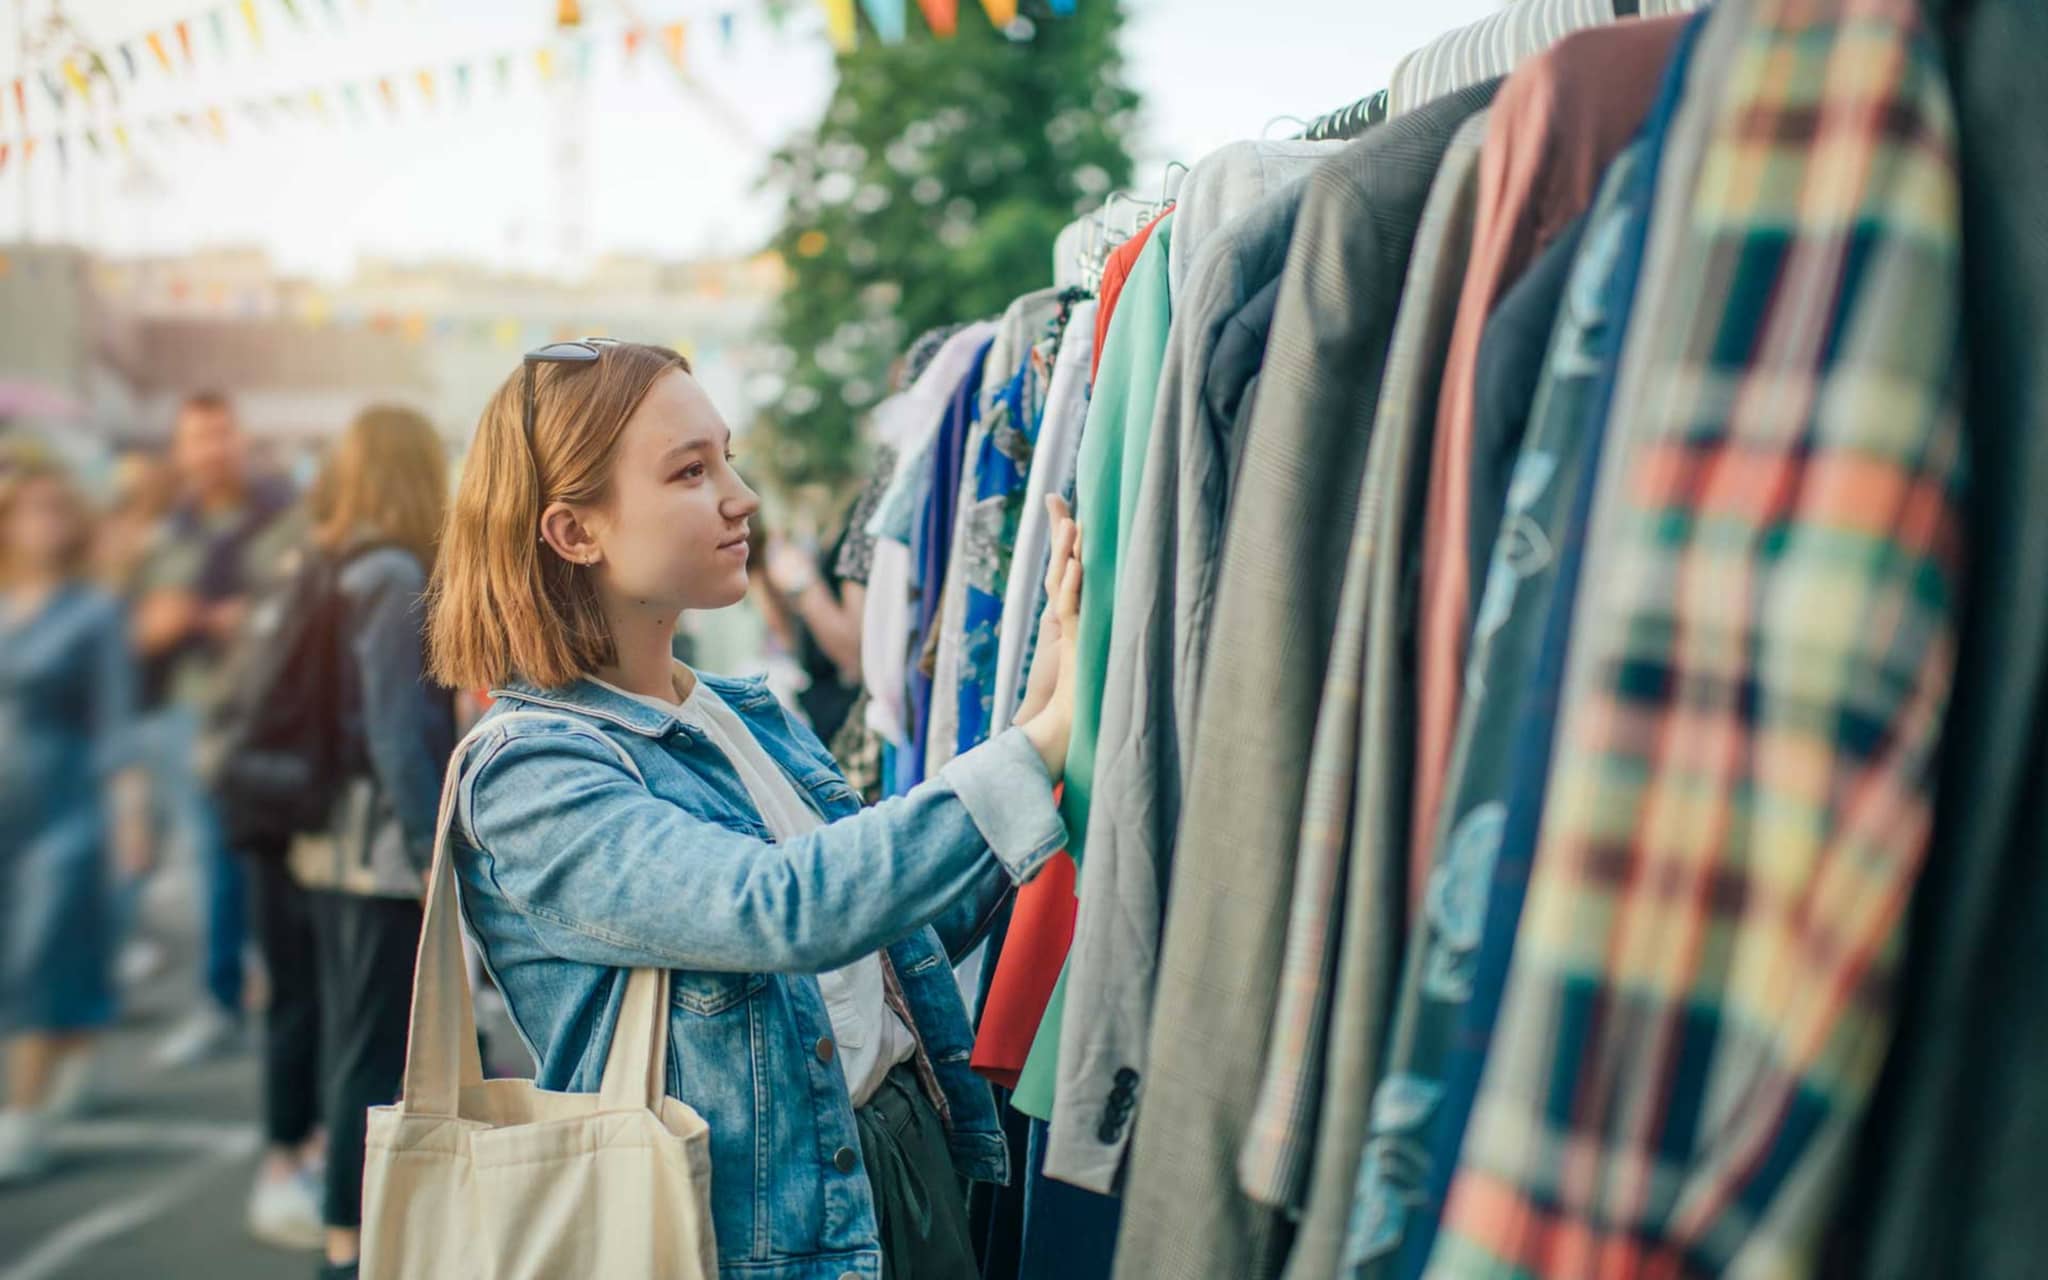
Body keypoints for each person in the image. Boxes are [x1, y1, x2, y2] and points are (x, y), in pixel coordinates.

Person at [425, 340, 1082, 1280]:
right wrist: (1035, 748)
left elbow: (895, 933)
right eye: (691, 472)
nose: (741, 497)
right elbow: (780, 908)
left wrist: (1036, 712)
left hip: (898, 1178)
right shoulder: (530, 773)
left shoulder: (743, 714)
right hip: (757, 1241)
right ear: (574, 532)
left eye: (726, 457)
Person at [132, 392, 323, 1243]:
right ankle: (224, 995)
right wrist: (160, 626)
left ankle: (245, 999)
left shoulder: (287, 518)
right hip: (189, 717)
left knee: (248, 871)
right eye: (195, 435)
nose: (209, 448)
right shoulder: (169, 532)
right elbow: (134, 629)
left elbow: (305, 607)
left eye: (221, 433)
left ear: (241, 438)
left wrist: (237, 618)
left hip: (267, 729)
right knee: (213, 865)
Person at [286, 406, 455, 1279]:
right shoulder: (392, 575)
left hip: (335, 839)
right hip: (376, 847)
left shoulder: (344, 565)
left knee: (354, 1038)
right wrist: (430, 849)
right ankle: (350, 1247)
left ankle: (346, 1236)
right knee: (373, 1047)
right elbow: (395, 726)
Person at [0, 456, 151, 1182]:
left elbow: (116, 722)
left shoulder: (93, 612)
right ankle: (72, 1047)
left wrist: (129, 817)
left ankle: (21, 1119)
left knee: (40, 949)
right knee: (22, 953)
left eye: (58, 509)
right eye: (31, 508)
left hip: (65, 806)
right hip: (6, 811)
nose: (45, 523)